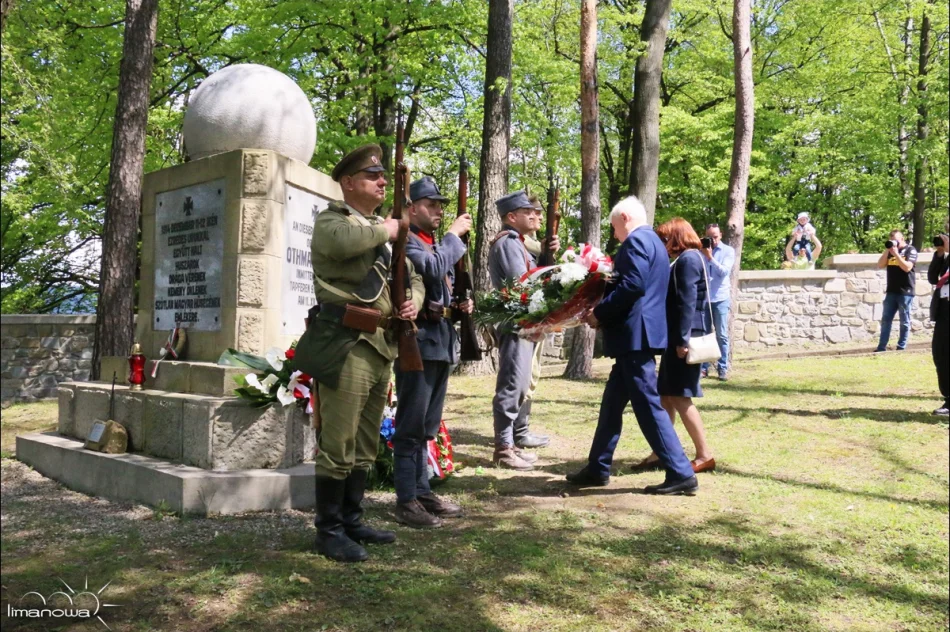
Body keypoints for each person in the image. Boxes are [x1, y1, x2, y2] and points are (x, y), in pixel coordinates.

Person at [297, 143, 425, 563]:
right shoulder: (334, 221)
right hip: (347, 343)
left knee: (366, 442)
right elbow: (340, 244)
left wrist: (415, 302)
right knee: (339, 440)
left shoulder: (385, 236)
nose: (383, 182)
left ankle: (351, 520)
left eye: (384, 177)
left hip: (381, 345)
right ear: (349, 183)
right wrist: (388, 230)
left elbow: (415, 277)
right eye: (373, 177)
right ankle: (328, 530)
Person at [566, 196, 698, 496]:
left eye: (614, 227)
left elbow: (633, 285)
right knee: (612, 404)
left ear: (625, 217)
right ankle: (598, 467)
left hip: (635, 336)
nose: (614, 234)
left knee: (649, 406)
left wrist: (599, 313)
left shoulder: (637, 242)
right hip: (639, 335)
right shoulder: (654, 242)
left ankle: (680, 472)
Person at [391, 176, 472, 529]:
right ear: (411, 208)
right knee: (410, 424)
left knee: (426, 425)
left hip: (439, 343)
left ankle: (421, 491)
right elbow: (433, 267)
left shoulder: (432, 242)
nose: (439, 210)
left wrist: (461, 303)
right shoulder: (406, 241)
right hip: (417, 342)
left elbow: (442, 281)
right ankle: (406, 499)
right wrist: (455, 236)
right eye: (431, 204)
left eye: (441, 205)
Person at [488, 191, 559, 470]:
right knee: (512, 385)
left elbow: (534, 277)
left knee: (520, 384)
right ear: (511, 217)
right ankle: (504, 449)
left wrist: (546, 254)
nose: (533, 214)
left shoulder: (518, 243)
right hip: (517, 324)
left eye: (534, 210)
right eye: (526, 211)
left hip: (525, 323)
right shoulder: (507, 243)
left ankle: (513, 443)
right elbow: (525, 286)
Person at [656, 218, 715, 473]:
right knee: (666, 395)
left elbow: (687, 302)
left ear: (677, 237)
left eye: (666, 238)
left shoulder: (689, 259)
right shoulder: (688, 259)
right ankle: (662, 451)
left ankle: (704, 455)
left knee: (680, 396)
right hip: (677, 337)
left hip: (685, 339)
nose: (664, 244)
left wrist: (682, 340)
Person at [700, 223, 735, 381]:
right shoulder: (700, 250)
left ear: (720, 235)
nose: (712, 240)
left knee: (721, 334)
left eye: (715, 236)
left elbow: (724, 272)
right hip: (705, 297)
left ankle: (722, 368)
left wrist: (710, 258)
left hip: (720, 297)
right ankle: (704, 367)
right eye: (710, 237)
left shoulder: (728, 251)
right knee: (705, 334)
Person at [875, 230, 918, 352]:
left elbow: (907, 267)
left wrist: (897, 254)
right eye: (892, 240)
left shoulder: (911, 250)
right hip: (891, 291)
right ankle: (881, 347)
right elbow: (880, 264)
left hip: (905, 291)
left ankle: (901, 346)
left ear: (902, 239)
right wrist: (888, 250)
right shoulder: (890, 251)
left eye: (896, 240)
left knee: (904, 320)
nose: (895, 243)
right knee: (886, 319)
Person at [928, 224, 949, 416]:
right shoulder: (945, 257)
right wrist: (940, 255)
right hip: (944, 310)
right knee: (941, 352)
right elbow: (932, 278)